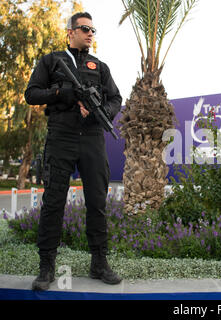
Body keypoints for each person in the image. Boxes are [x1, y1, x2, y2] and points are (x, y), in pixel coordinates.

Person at [25, 12, 122, 291]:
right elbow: (31, 94)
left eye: (93, 29)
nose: (90, 33)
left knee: (97, 202)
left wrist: (99, 112)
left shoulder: (100, 67)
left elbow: (115, 98)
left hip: (92, 137)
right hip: (61, 137)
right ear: (70, 32)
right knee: (54, 202)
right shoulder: (52, 61)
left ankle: (99, 263)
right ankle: (46, 267)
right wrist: (60, 93)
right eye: (84, 28)